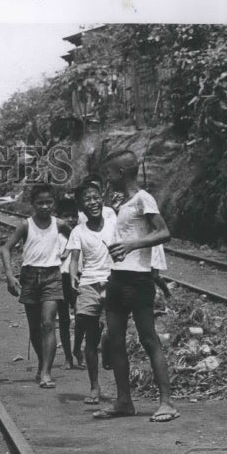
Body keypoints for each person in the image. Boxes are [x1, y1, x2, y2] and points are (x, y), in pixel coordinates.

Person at [94, 148, 179, 422]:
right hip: (117, 278)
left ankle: (166, 402)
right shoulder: (125, 202)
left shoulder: (144, 198)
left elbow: (164, 232)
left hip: (139, 280)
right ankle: (124, 401)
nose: (107, 178)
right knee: (115, 340)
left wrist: (132, 245)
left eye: (109, 173)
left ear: (121, 173)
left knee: (148, 339)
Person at [0, 184, 72, 389]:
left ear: (54, 203)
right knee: (34, 327)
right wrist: (9, 275)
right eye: (40, 203)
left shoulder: (59, 224)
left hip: (52, 276)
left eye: (49, 202)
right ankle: (42, 362)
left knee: (48, 323)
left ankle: (47, 373)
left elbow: (75, 236)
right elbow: (5, 249)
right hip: (30, 277)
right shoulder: (26, 225)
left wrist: (67, 252)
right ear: (32, 204)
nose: (45, 207)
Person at [67, 182, 115, 405]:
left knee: (116, 333)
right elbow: (74, 259)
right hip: (88, 284)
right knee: (89, 335)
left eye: (96, 198)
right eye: (87, 200)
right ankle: (94, 387)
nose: (93, 203)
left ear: (101, 199)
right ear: (81, 206)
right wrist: (73, 275)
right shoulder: (78, 231)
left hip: (113, 280)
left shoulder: (113, 221)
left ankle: (108, 340)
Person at [55, 197, 80, 369]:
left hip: (79, 277)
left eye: (74, 215)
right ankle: (68, 357)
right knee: (63, 320)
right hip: (60, 278)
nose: (70, 219)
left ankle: (78, 350)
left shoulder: (81, 232)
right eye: (66, 216)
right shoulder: (55, 235)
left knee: (81, 318)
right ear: (58, 217)